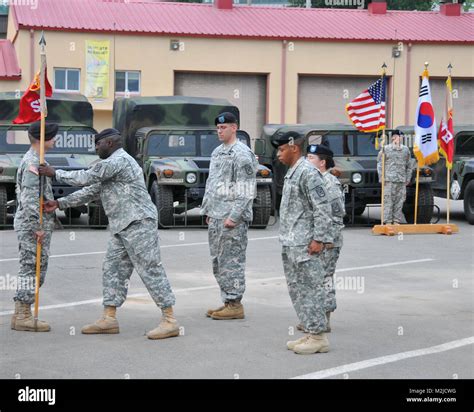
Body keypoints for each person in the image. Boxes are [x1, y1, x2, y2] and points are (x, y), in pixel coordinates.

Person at [39, 128, 179, 340]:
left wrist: (55, 173)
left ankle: (170, 320)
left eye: (98, 144)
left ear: (110, 143)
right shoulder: (110, 167)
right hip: (121, 225)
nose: (96, 148)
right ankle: (109, 318)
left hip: (138, 222)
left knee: (150, 269)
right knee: (112, 269)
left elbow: (87, 177)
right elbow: (92, 191)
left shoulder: (119, 161)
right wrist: (59, 203)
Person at [272, 131, 334, 354]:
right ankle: (310, 331)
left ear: (294, 148)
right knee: (298, 290)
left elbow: (323, 207)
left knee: (311, 289)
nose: (278, 154)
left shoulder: (308, 173)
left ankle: (319, 337)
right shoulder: (293, 172)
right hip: (292, 243)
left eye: (281, 149)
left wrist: (319, 239)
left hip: (306, 244)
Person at [201, 112, 258, 320]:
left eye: (223, 127)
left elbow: (246, 188)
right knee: (218, 261)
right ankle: (227, 300)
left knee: (232, 260)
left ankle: (235, 304)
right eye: (217, 128)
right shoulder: (217, 152)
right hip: (216, 214)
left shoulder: (242, 154)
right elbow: (212, 183)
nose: (219, 130)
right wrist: (208, 210)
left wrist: (234, 216)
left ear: (234, 128)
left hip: (232, 218)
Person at [11, 121, 58, 332]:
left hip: (34, 223)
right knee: (31, 267)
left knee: (35, 266)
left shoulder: (38, 160)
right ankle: (23, 315)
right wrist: (37, 227)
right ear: (43, 138)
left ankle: (22, 312)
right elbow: (30, 199)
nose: (56, 139)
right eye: (53, 136)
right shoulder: (32, 163)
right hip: (33, 225)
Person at [306, 144, 345, 333]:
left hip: (329, 240)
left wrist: (327, 239)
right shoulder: (315, 181)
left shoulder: (329, 183)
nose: (307, 161)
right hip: (319, 237)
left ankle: (324, 319)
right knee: (315, 278)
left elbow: (337, 214)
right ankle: (315, 317)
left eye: (311, 158)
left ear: (322, 163)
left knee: (324, 278)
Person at [377, 130, 412, 225]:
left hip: (401, 179)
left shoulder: (405, 150)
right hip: (389, 180)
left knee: (400, 200)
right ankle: (387, 221)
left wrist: (408, 178)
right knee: (388, 200)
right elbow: (380, 164)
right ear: (393, 137)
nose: (399, 138)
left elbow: (409, 165)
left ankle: (396, 220)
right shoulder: (386, 149)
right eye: (397, 136)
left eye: (401, 136)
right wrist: (381, 177)